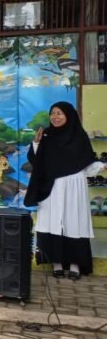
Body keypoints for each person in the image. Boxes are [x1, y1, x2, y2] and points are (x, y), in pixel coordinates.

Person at [25, 101, 105, 279]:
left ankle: (75, 265)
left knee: (74, 221)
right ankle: (57, 263)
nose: (55, 117)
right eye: (52, 113)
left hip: (74, 186)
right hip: (51, 186)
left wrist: (101, 166)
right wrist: (36, 143)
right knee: (52, 221)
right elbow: (37, 160)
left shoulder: (79, 136)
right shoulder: (46, 135)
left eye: (59, 113)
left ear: (69, 115)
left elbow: (87, 163)